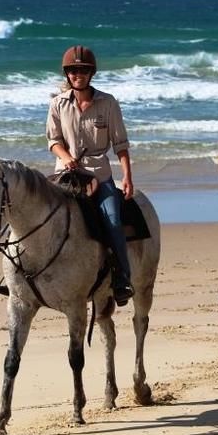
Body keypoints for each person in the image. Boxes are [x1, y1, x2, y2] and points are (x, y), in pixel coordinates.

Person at [46, 45, 136, 306]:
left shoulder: (108, 103)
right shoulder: (57, 104)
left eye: (83, 70)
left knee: (113, 219)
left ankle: (122, 278)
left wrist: (127, 177)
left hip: (99, 174)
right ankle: (17, 274)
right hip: (66, 174)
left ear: (91, 73)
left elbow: (121, 145)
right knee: (35, 208)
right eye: (73, 70)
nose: (78, 74)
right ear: (67, 74)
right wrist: (66, 158)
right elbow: (53, 141)